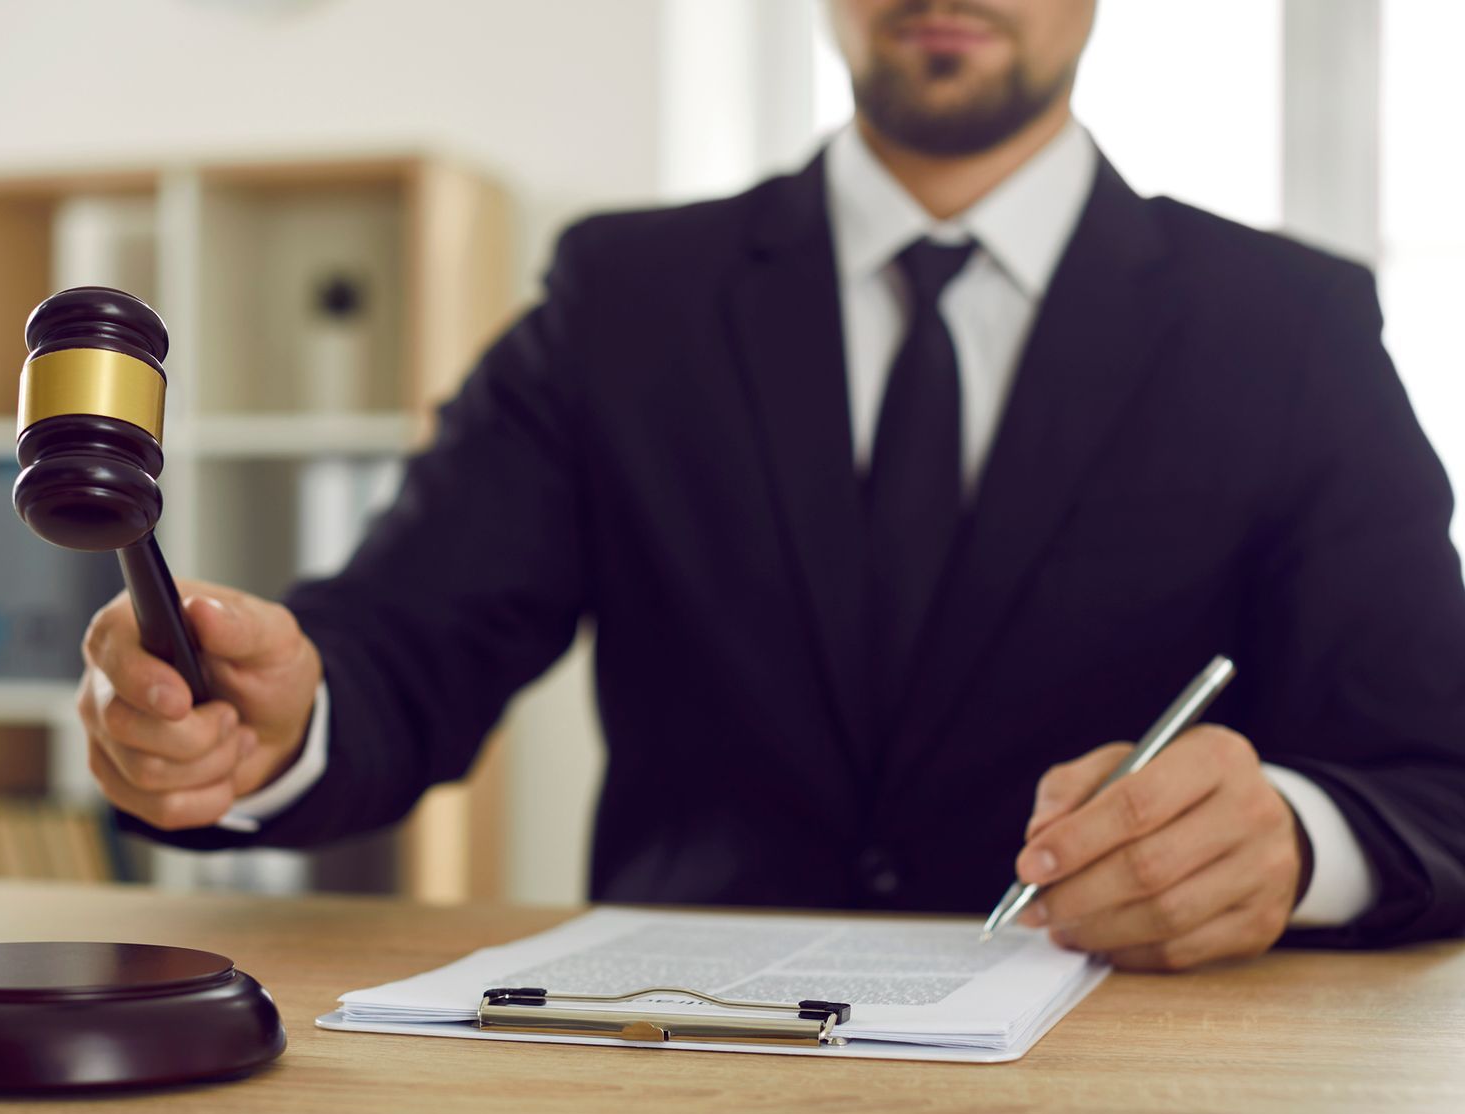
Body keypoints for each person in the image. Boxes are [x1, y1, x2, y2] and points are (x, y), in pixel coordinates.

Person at [75, 0, 1465, 969]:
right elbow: (401, 642)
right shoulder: (623, 297)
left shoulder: (1290, 329)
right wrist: (274, 716)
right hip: (687, 1089)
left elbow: (1440, 779)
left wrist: (1291, 838)